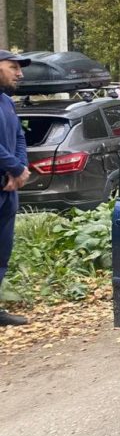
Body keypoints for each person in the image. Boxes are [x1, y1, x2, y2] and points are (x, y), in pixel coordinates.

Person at [0, 50, 32, 326]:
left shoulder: (7, 102)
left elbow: (19, 137)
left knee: (2, 253)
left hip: (8, 190)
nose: (19, 73)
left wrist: (21, 168)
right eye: (13, 67)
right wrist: (15, 167)